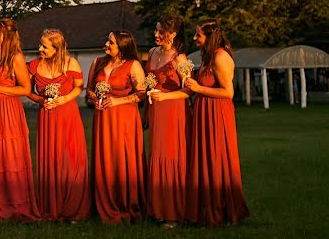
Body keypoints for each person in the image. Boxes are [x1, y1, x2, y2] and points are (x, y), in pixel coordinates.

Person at [184, 19, 249, 226]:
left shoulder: (220, 57)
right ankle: (207, 209)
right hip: (204, 111)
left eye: (198, 35)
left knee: (218, 158)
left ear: (209, 37)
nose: (194, 38)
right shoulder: (207, 57)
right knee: (205, 158)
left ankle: (225, 209)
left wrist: (198, 89)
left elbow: (228, 92)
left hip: (217, 113)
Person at [0, 18, 40, 222]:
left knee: (9, 157)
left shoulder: (16, 58)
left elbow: (25, 89)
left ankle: (13, 204)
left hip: (7, 111)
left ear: (6, 36)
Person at [26, 29, 90, 222]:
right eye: (40, 44)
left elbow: (79, 86)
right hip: (46, 115)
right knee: (50, 159)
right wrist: (40, 101)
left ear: (57, 47)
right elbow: (26, 90)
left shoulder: (71, 63)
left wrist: (63, 100)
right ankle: (51, 206)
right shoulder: (35, 65)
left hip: (67, 115)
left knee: (70, 160)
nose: (40, 48)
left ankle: (73, 207)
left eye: (44, 46)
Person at [86, 30, 146, 224]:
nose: (106, 44)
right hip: (102, 118)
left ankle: (127, 203)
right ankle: (103, 202)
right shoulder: (98, 63)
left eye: (111, 42)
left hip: (125, 118)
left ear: (122, 46)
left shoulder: (133, 65)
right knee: (105, 157)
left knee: (123, 158)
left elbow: (141, 93)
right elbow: (89, 90)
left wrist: (118, 101)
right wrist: (95, 98)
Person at [144, 15, 190, 228]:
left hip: (173, 111)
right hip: (155, 111)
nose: (156, 35)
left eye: (161, 31)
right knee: (156, 155)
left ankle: (173, 212)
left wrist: (166, 97)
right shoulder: (152, 53)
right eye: (156, 30)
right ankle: (157, 209)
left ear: (172, 34)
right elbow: (147, 84)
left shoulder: (180, 59)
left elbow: (190, 89)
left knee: (171, 157)